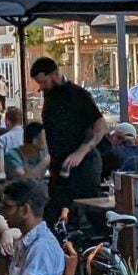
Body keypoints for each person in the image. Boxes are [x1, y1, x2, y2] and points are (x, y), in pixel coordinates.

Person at [32, 56, 108, 222]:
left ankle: (99, 243)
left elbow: (100, 126)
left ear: (54, 74)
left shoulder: (78, 94)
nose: (42, 87)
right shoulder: (50, 96)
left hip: (84, 163)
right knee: (55, 211)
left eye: (43, 81)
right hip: (59, 163)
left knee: (89, 208)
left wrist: (82, 151)